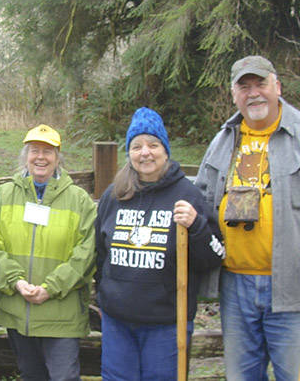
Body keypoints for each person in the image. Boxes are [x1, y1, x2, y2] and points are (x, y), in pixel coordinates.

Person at [95, 107, 224, 380]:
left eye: (153, 145)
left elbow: (215, 256)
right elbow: (100, 252)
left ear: (165, 150)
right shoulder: (114, 195)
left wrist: (196, 226)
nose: (145, 153)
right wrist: (106, 295)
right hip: (118, 322)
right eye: (137, 146)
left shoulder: (188, 195)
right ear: (129, 153)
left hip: (166, 324)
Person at [195, 55, 300, 380]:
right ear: (233, 94)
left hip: (291, 287)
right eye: (245, 87)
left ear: (277, 86)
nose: (253, 93)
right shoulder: (221, 142)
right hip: (235, 287)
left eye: (260, 84)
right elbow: (201, 201)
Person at [0, 124, 96, 381]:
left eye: (48, 151)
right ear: (25, 156)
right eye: (34, 150)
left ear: (58, 157)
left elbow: (85, 254)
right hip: (18, 310)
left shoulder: (79, 200)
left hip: (61, 314)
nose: (40, 157)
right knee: (31, 375)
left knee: (63, 376)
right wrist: (17, 282)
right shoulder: (5, 195)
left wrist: (51, 287)